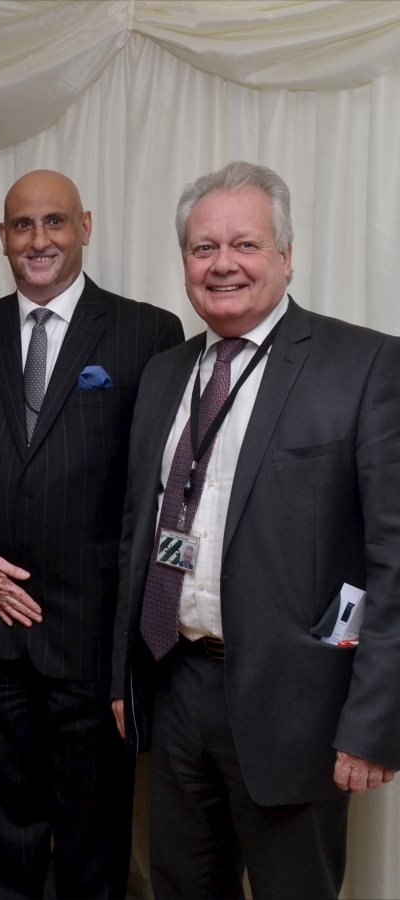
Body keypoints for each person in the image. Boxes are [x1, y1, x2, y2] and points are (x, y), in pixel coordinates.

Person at [110, 161, 400, 899]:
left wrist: (374, 722)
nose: (222, 264)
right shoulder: (164, 373)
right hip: (175, 682)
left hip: (294, 702)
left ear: (286, 254)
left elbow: (393, 558)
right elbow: (136, 534)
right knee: (182, 884)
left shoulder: (364, 365)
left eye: (245, 243)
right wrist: (122, 674)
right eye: (203, 248)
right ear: (184, 262)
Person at [0, 171, 184, 899]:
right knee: (3, 819)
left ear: (85, 227)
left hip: (92, 633)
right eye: (22, 226)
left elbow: (155, 486)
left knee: (93, 823)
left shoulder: (146, 331)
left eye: (54, 223)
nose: (39, 241)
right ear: (1, 238)